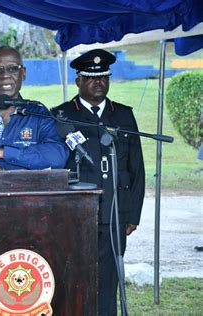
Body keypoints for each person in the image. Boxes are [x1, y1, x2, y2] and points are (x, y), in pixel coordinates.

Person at [51, 49, 145, 315]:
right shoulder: (62, 115)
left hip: (115, 211)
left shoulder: (123, 115)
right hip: (76, 214)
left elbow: (136, 167)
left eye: (103, 77)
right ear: (78, 81)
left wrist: (132, 214)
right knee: (74, 278)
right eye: (91, 78)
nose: (98, 82)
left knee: (108, 281)